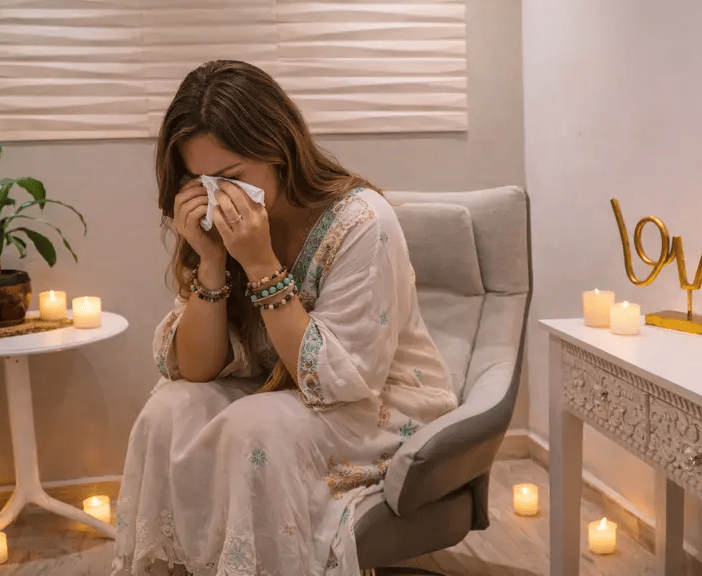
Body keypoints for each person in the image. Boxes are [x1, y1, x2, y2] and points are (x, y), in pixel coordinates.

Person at [111, 60, 458, 576]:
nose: (216, 197)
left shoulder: (362, 222)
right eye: (199, 181)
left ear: (278, 151)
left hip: (376, 401)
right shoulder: (221, 227)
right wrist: (210, 262)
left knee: (255, 426)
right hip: (277, 387)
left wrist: (259, 263)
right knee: (170, 410)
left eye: (231, 178)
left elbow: (340, 383)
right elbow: (197, 369)